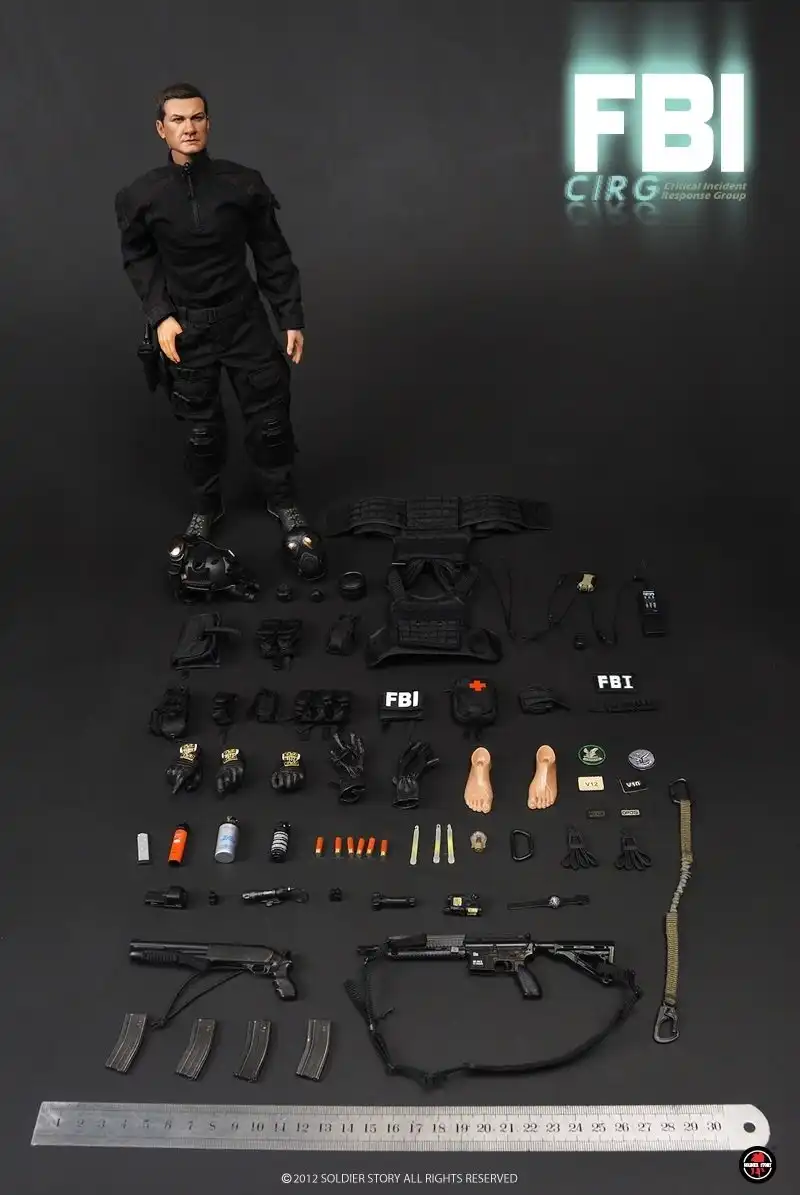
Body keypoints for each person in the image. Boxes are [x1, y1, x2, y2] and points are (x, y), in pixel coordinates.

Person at [114, 82, 326, 580]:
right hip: (187, 328)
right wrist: (161, 315)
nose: (189, 128)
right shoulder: (142, 195)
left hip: (244, 321)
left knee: (270, 420)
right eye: (178, 119)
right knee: (201, 430)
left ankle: (282, 501)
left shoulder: (241, 184)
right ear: (161, 128)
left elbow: (272, 253)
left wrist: (290, 316)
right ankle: (206, 506)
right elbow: (138, 258)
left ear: (208, 123)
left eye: (197, 118)